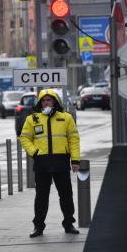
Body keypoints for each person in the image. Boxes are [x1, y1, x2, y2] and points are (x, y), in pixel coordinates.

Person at [20, 89, 81, 238]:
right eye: (44, 100)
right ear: (40, 102)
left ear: (55, 101)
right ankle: (38, 226)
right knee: (41, 197)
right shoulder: (32, 119)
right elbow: (24, 138)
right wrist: (35, 153)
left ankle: (69, 224)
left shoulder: (66, 118)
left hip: (61, 162)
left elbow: (74, 140)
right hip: (42, 163)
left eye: (49, 100)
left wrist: (75, 160)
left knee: (66, 195)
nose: (46, 102)